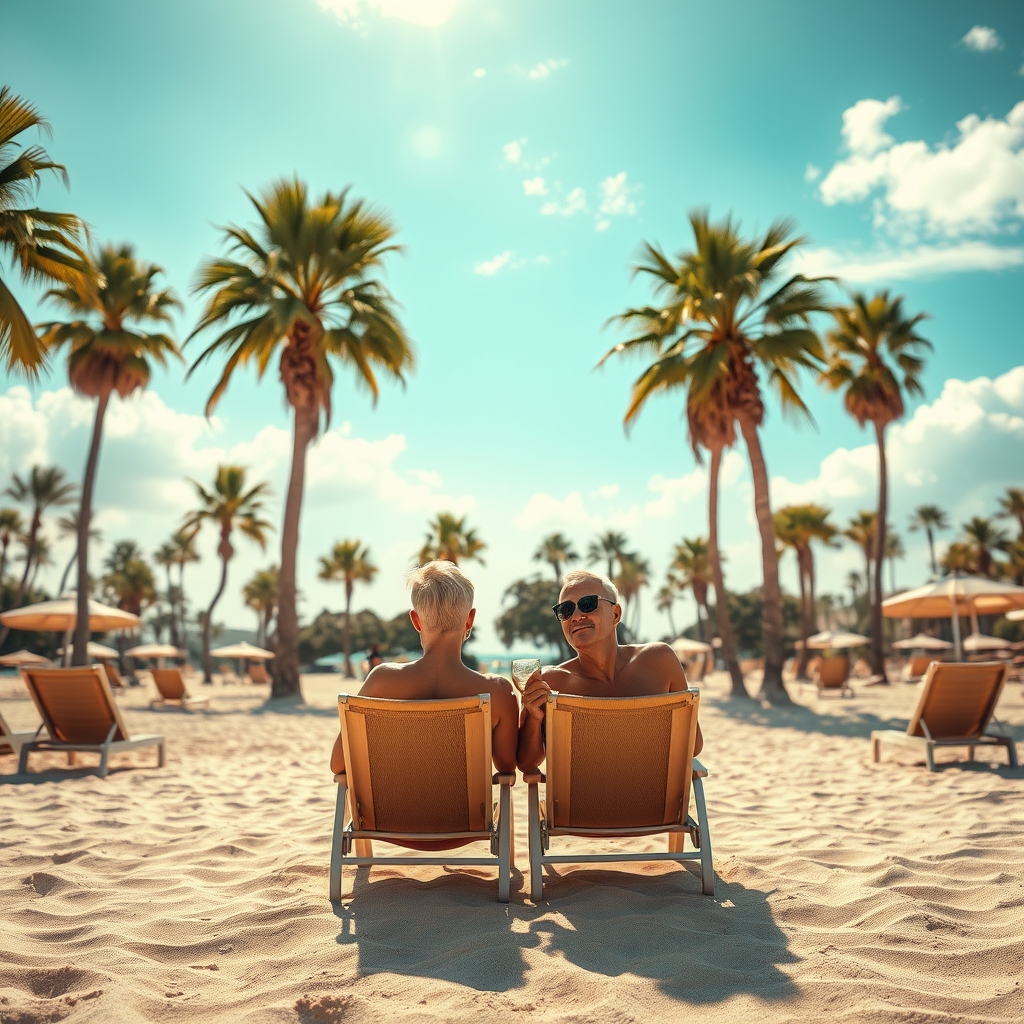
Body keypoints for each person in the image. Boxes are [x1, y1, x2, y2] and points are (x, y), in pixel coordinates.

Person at [330, 560, 518, 776]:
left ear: (416, 621)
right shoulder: (498, 692)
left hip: (393, 799)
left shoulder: (382, 682)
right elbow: (506, 766)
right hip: (461, 800)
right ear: (470, 620)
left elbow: (338, 764)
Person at [517, 569, 703, 772]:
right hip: (640, 793)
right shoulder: (550, 683)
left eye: (588, 603)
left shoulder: (659, 661)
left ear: (615, 614)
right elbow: (527, 763)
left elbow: (694, 744)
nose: (576, 616)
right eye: (565, 610)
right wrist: (533, 718)